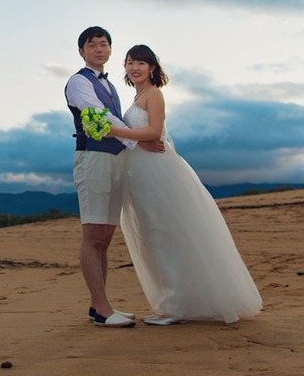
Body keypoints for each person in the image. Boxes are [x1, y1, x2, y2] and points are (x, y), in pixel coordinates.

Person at [112, 44, 263, 325]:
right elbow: (145, 136)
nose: (134, 68)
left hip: (156, 171)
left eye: (141, 63)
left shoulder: (154, 94)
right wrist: (137, 139)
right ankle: (173, 303)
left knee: (165, 234)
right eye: (130, 62)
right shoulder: (138, 97)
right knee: (153, 236)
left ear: (152, 68)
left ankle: (176, 308)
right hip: (140, 170)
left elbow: (155, 131)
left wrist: (116, 131)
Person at [64, 26, 164, 328]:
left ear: (110, 49)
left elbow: (114, 120)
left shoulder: (110, 85)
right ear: (81, 51)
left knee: (104, 238)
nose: (99, 49)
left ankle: (100, 305)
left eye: (104, 44)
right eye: (92, 45)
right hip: (93, 159)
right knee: (93, 235)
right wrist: (140, 141)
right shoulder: (78, 82)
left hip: (115, 160)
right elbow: (98, 116)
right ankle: (101, 308)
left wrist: (133, 143)